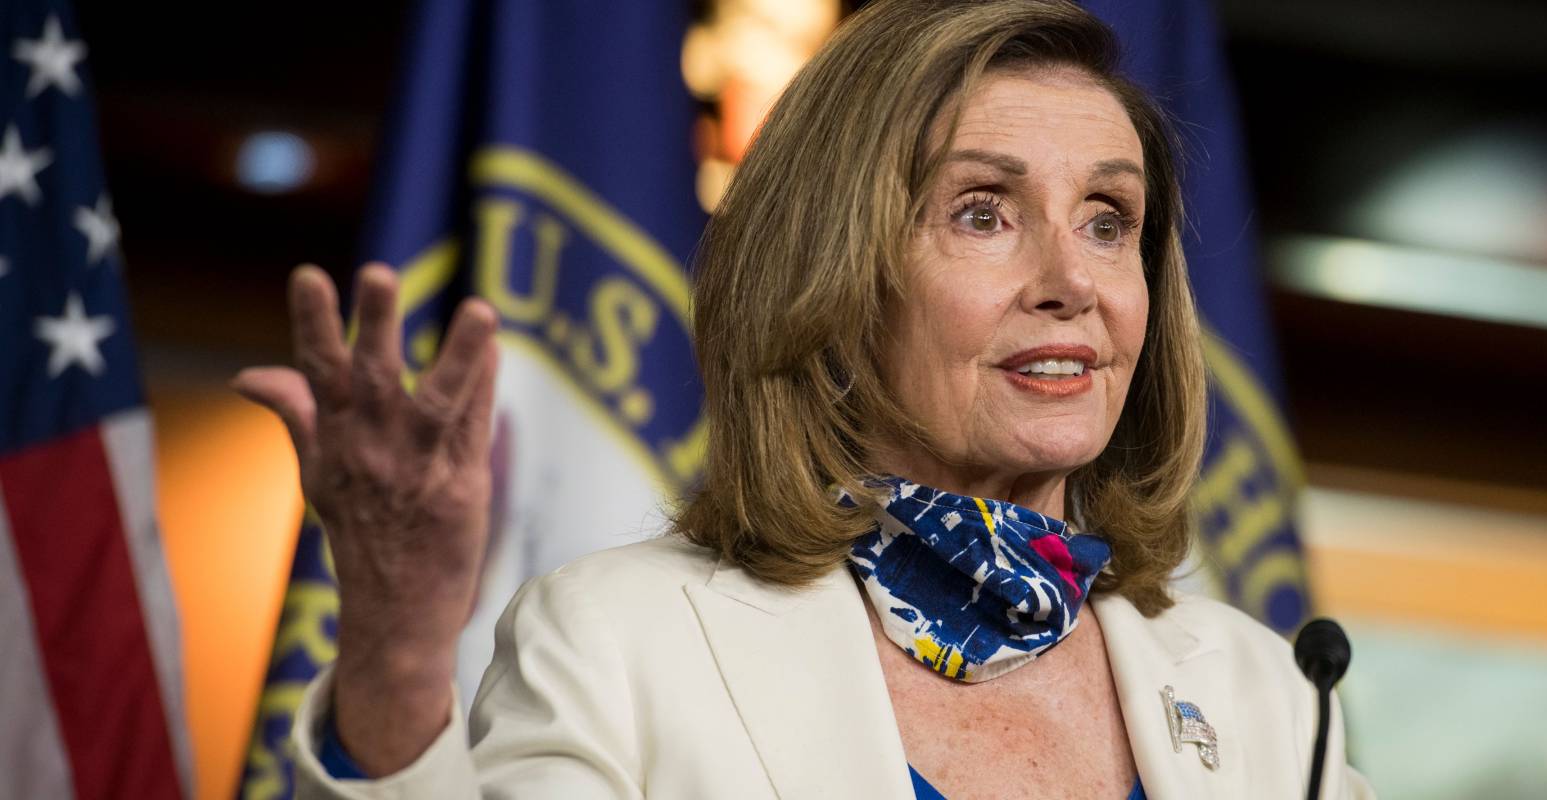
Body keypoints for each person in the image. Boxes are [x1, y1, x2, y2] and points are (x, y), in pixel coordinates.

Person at [234, 0, 1375, 797]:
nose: (1072, 282)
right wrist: (391, 653)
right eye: (982, 210)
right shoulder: (623, 643)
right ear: (832, 272)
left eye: (1109, 220)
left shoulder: (1263, 691)